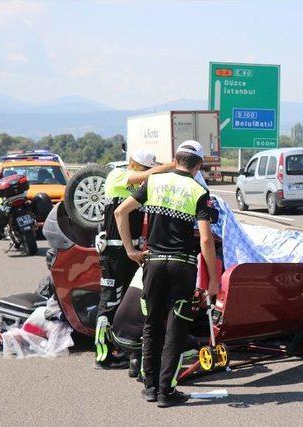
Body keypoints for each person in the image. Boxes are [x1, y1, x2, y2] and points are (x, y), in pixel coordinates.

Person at [115, 142, 219, 407]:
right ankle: (166, 391)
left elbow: (120, 211)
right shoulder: (199, 192)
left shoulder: (154, 182)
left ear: (175, 160)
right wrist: (214, 280)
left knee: (152, 325)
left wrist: (130, 250)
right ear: (197, 167)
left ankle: (149, 387)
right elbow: (206, 240)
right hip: (182, 267)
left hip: (153, 263)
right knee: (176, 327)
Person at [94, 149, 173, 368]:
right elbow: (122, 212)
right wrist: (171, 166)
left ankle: (123, 349)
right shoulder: (117, 174)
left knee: (128, 302)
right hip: (115, 250)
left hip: (133, 251)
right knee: (109, 300)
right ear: (137, 166)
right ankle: (102, 356)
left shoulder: (140, 186)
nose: (150, 173)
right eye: (147, 168)